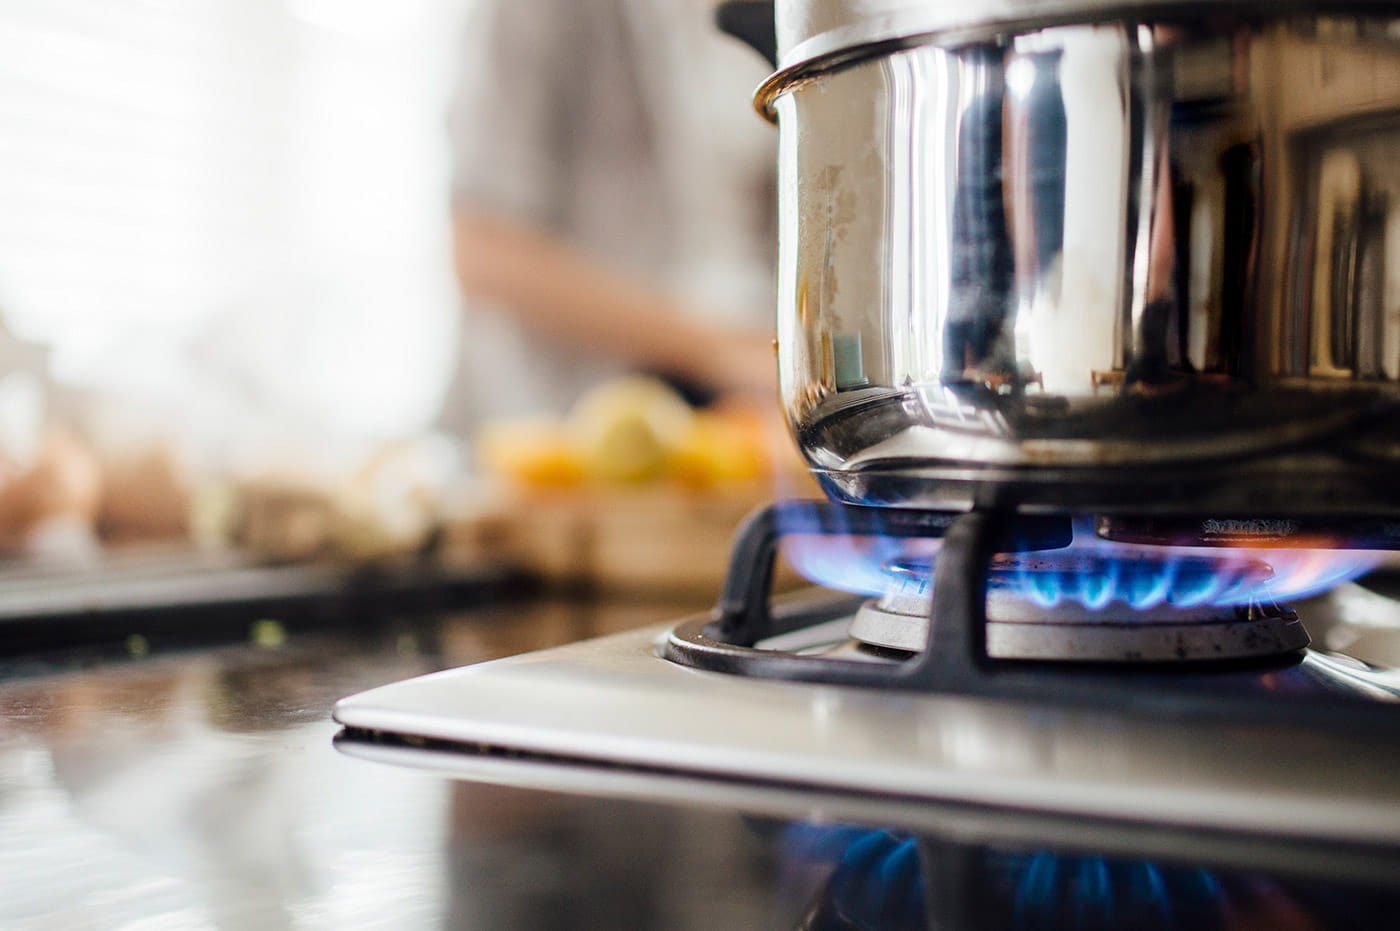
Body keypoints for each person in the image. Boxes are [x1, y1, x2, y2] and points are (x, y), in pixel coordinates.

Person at [438, 0, 778, 435]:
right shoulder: (533, 13)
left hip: (731, 414)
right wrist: (724, 352)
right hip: (565, 422)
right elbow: (485, 249)